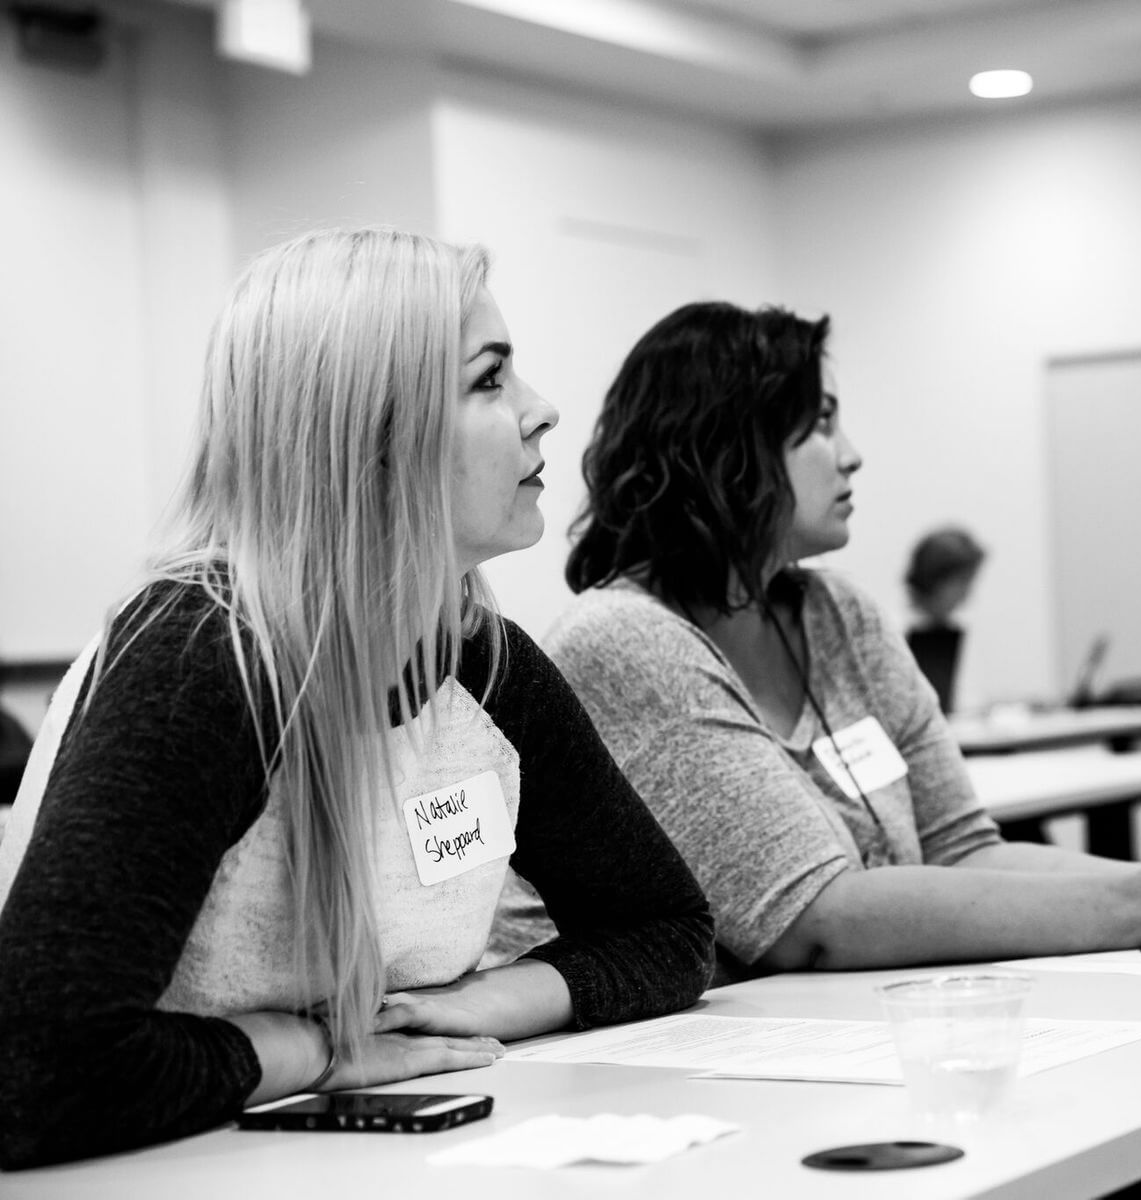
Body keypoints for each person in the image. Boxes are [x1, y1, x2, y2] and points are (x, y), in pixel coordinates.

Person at [0, 229, 714, 1170]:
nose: (542, 413)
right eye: (488, 380)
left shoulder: (478, 657)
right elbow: (38, 1074)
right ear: (370, 439)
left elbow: (667, 930)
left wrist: (470, 1006)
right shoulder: (203, 653)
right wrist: (325, 1049)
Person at [501, 299, 1141, 994]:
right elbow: (814, 917)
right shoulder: (623, 642)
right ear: (725, 451)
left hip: (864, 1025)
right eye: (818, 425)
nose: (851, 453)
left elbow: (963, 853)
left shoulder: (837, 614)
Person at [902, 524, 985, 713]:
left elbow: (965, 702)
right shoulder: (889, 630)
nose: (967, 593)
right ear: (935, 578)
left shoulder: (952, 630)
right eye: (962, 582)